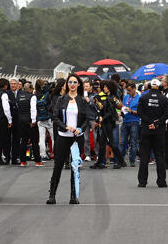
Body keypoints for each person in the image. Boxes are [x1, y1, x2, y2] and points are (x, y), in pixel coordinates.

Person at [47, 74, 96, 205]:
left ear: (78, 84)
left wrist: (80, 128)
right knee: (58, 165)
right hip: (63, 136)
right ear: (67, 84)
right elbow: (55, 117)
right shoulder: (61, 99)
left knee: (75, 167)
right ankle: (52, 195)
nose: (72, 84)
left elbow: (87, 118)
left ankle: (74, 195)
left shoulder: (82, 100)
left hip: (77, 137)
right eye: (70, 82)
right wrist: (65, 127)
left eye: (75, 82)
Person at [137, 78, 168, 188]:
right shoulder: (164, 99)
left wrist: (149, 122)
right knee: (160, 156)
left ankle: (142, 182)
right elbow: (167, 114)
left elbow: (140, 112)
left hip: (146, 130)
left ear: (150, 86)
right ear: (160, 87)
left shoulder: (143, 97)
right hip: (159, 131)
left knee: (144, 157)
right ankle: (162, 182)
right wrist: (157, 123)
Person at [93, 80, 122, 169]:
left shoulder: (113, 97)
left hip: (111, 122)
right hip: (106, 122)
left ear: (109, 88)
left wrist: (116, 101)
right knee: (103, 143)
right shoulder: (107, 96)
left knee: (113, 142)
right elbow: (103, 109)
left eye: (105, 87)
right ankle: (100, 162)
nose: (103, 89)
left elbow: (119, 106)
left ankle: (119, 161)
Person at [120, 81, 141, 167]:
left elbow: (141, 112)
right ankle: (121, 160)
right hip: (125, 121)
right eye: (127, 90)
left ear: (134, 89)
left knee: (133, 142)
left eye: (129, 90)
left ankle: (132, 160)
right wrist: (121, 111)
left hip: (134, 121)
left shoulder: (139, 98)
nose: (128, 92)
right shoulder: (126, 97)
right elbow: (123, 107)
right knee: (122, 142)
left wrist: (131, 111)